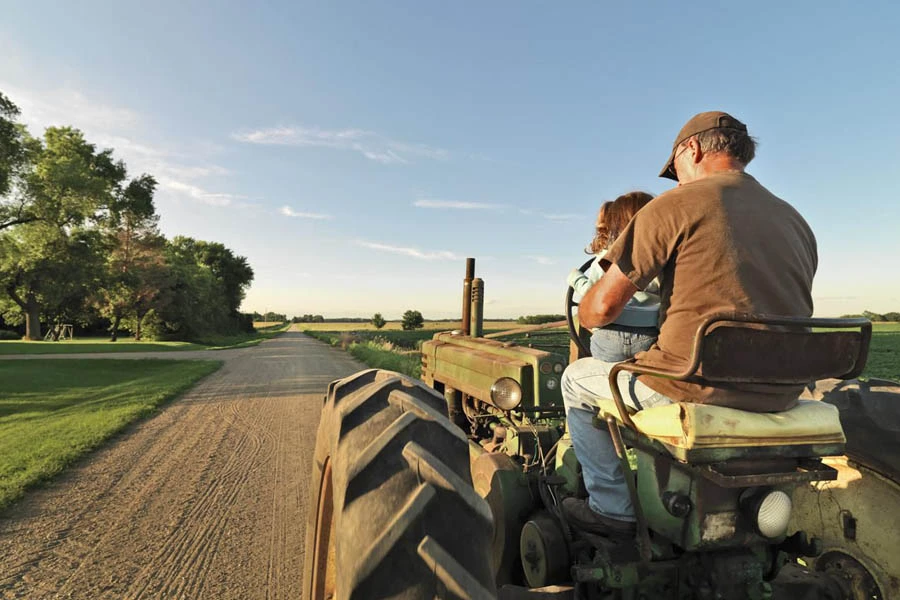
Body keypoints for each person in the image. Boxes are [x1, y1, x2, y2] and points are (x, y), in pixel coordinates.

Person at [560, 111, 817, 537]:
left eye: (674, 168)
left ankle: (612, 509)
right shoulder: (795, 220)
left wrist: (585, 304)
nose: (675, 178)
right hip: (779, 396)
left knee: (575, 378)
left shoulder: (673, 206)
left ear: (691, 149)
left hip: (694, 388)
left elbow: (600, 310)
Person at [567, 192, 660, 361]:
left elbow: (595, 298)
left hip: (609, 339)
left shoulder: (605, 259)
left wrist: (576, 279)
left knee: (573, 375)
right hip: (650, 338)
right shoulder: (660, 258)